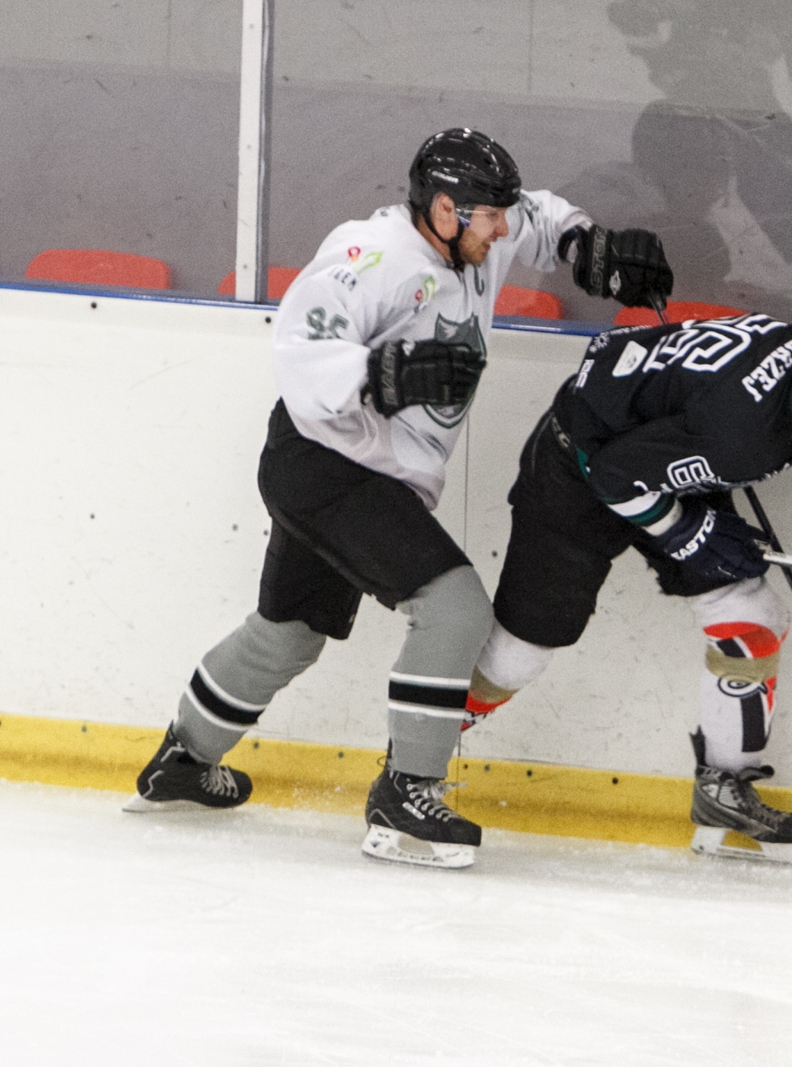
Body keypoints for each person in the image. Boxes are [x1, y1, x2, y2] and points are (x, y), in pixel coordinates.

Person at [125, 128, 674, 870]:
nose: (502, 229)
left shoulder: (476, 234)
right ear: (445, 209)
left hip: (358, 472)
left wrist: (589, 245)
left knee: (290, 632)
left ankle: (182, 760)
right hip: (326, 463)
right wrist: (384, 375)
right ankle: (407, 793)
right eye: (488, 216)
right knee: (455, 608)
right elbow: (301, 349)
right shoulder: (372, 256)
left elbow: (537, 217)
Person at [464, 298, 792, 864]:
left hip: (662, 455)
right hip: (581, 462)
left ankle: (723, 791)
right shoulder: (739, 425)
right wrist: (687, 530)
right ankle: (423, 747)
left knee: (752, 616)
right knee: (523, 649)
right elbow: (614, 474)